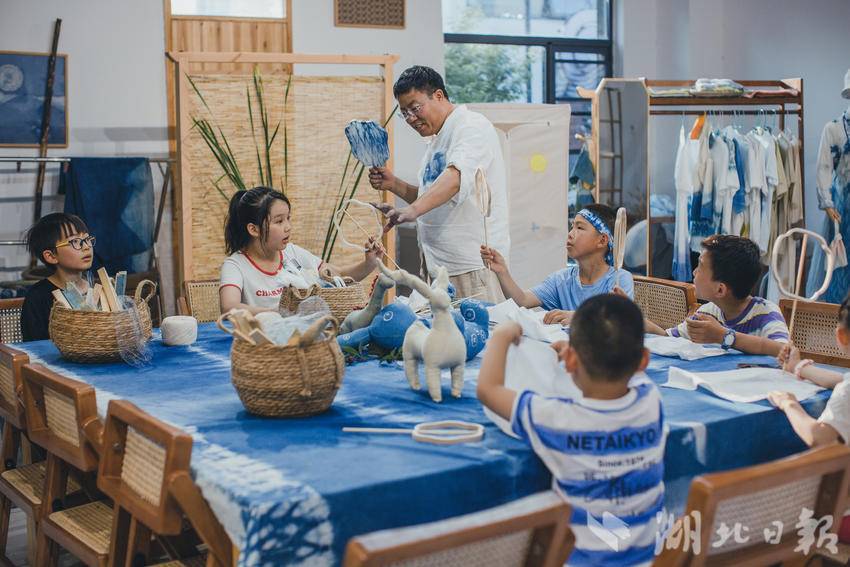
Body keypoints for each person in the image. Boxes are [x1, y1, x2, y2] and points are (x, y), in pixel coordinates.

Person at [477, 294, 665, 565]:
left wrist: (501, 335)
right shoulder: (651, 401)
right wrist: (575, 354)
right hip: (648, 559)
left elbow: (489, 389)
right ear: (644, 360)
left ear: (572, 362)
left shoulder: (558, 419)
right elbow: (633, 374)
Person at [368, 65, 509, 303]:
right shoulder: (436, 140)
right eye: (404, 113)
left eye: (415, 108)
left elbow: (456, 179)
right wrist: (394, 184)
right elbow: (432, 197)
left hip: (472, 267)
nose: (411, 119)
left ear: (439, 95)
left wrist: (412, 211)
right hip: (438, 267)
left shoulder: (471, 126)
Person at [219, 187, 383, 314]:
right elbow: (229, 307)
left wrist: (369, 263)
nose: (288, 227)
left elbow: (337, 275)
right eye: (279, 221)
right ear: (254, 229)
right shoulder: (235, 265)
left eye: (288, 218)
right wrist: (278, 314)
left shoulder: (292, 252)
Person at [768, 292, 850, 542]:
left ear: (841, 336)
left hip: (843, 518)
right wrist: (799, 367)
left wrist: (789, 404)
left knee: (771, 503)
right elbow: (841, 380)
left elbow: (820, 438)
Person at [480, 204, 633, 325]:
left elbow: (618, 322)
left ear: (602, 240)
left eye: (580, 228)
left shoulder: (619, 280)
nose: (570, 234)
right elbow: (522, 301)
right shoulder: (561, 280)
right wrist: (502, 271)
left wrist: (578, 317)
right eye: (572, 227)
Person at [646, 235, 789, 355]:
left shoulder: (765, 314)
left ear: (720, 290)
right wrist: (636, 318)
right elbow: (667, 337)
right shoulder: (707, 312)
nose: (694, 272)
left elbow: (784, 351)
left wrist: (723, 336)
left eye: (700, 266)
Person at [21, 213, 94, 341]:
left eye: (87, 239)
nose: (87, 247)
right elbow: (35, 346)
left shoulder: (99, 289)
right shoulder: (37, 297)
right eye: (75, 241)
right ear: (51, 256)